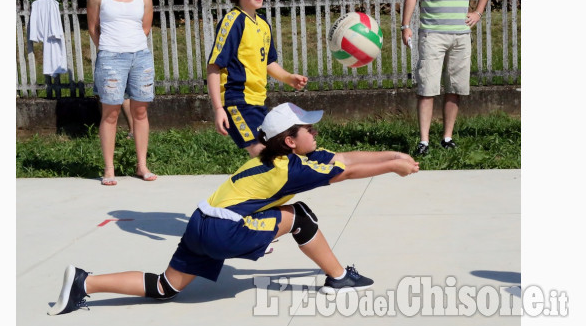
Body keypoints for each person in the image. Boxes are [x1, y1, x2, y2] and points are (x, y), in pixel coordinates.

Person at [47, 102, 420, 315]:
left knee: (166, 287)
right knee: (300, 216)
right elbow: (348, 170)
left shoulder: (270, 156)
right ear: (291, 141)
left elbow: (342, 158)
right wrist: (392, 167)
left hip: (200, 222)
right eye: (309, 129)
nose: (315, 132)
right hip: (225, 232)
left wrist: (393, 155)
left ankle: (84, 281)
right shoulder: (289, 169)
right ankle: (339, 278)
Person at [401, 0, 491, 156]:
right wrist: (405, 25)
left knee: (454, 88)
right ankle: (424, 141)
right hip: (431, 33)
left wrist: (478, 12)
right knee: (427, 88)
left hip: (461, 34)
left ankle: (447, 137)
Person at [207, 0, 308, 158]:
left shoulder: (262, 24)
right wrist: (219, 109)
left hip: (258, 101)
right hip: (238, 102)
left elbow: (268, 62)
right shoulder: (232, 22)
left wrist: (288, 78)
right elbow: (214, 66)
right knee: (267, 156)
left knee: (278, 155)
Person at [87, 0, 157, 185]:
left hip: (140, 56)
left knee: (140, 111)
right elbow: (93, 28)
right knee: (111, 113)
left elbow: (145, 27)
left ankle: (142, 165)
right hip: (111, 57)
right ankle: (109, 169)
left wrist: (131, 45)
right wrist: (108, 48)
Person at [92, 0, 135, 140]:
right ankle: (111, 130)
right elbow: (93, 27)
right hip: (107, 52)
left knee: (121, 93)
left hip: (120, 53)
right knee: (103, 92)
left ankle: (132, 131)